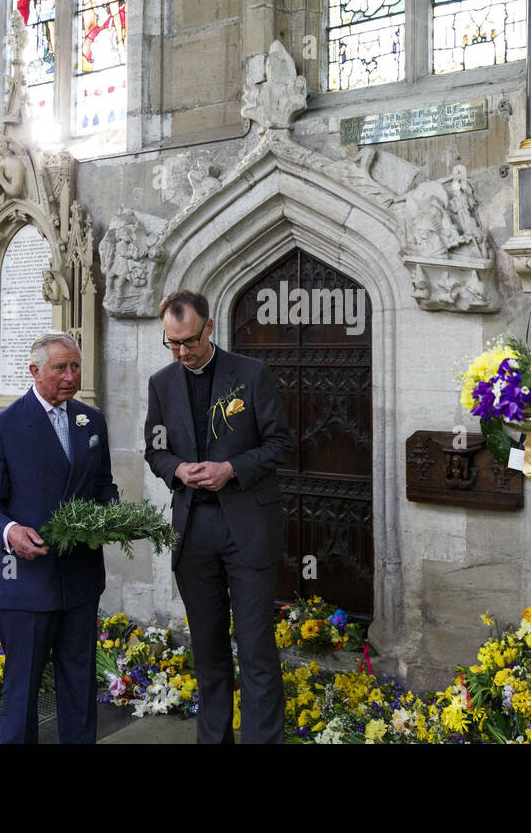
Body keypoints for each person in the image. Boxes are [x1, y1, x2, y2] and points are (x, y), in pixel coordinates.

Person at [143, 291, 293, 743]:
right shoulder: (161, 382)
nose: (182, 352)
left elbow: (280, 445)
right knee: (207, 652)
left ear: (209, 328)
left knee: (256, 649)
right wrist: (177, 469)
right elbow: (155, 449)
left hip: (247, 525)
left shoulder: (251, 375)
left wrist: (232, 468)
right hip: (193, 530)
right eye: (172, 344)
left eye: (188, 341)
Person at [0, 331, 117, 744]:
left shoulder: (91, 420)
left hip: (81, 578)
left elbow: (104, 485)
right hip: (26, 583)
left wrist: (111, 517)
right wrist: (11, 532)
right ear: (34, 371)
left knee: (80, 685)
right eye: (60, 368)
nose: (70, 376)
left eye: (75, 366)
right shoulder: (2, 427)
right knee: (23, 690)